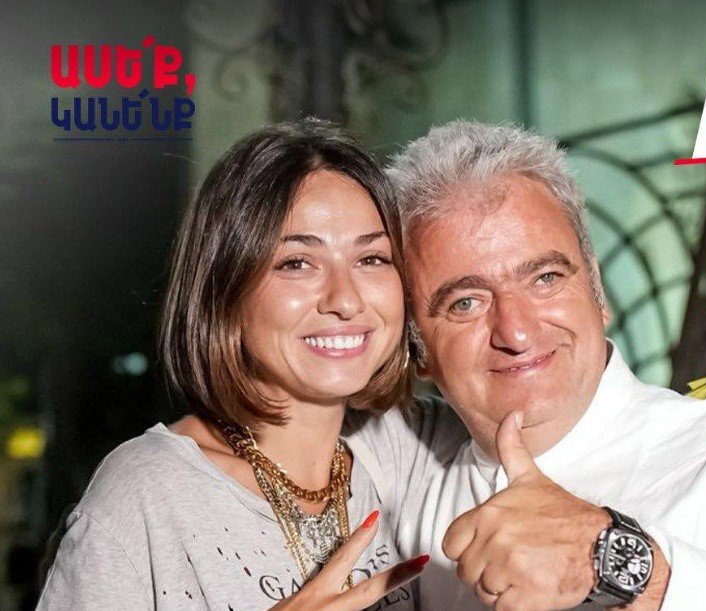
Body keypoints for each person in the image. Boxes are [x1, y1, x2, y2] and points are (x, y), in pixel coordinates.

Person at [346, 121, 706, 610]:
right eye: (466, 303)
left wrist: (623, 566)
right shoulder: (405, 473)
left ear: (596, 290)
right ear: (416, 346)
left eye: (545, 278)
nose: (517, 333)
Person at [38, 120, 429, 610]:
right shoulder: (146, 494)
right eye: (296, 263)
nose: (345, 300)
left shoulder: (409, 455)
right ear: (225, 291)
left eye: (371, 258)